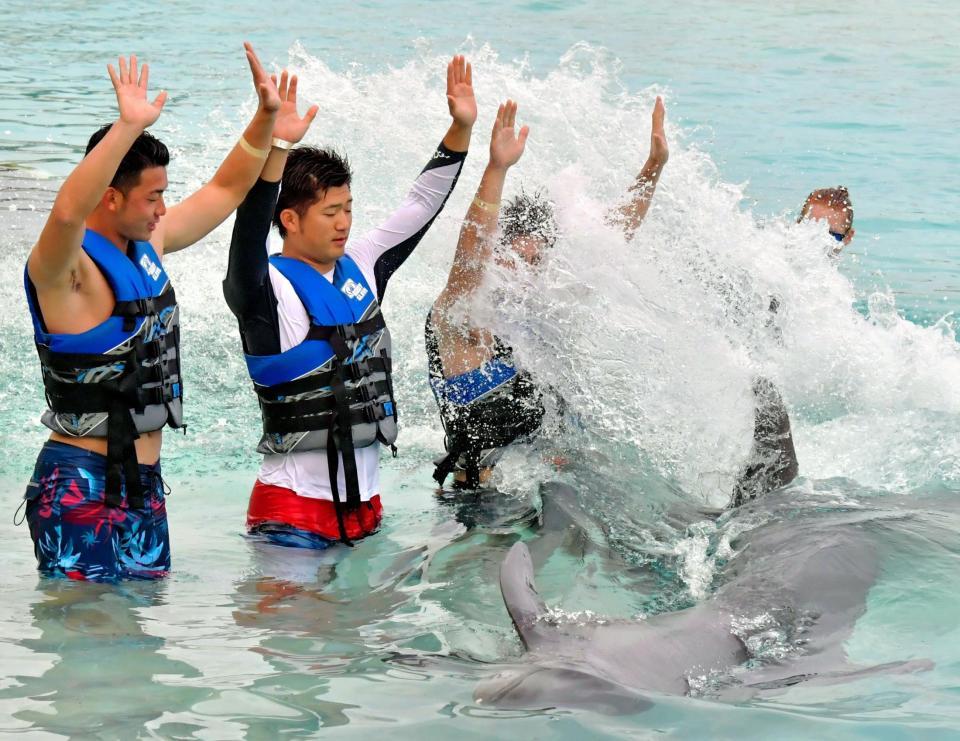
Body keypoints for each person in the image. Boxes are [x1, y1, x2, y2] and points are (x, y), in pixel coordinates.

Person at [22, 45, 282, 581]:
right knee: (89, 639)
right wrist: (127, 126)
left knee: (139, 635)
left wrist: (266, 119)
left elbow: (227, 188)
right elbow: (69, 209)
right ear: (111, 197)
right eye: (152, 197)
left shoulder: (148, 247)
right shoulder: (64, 270)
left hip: (144, 480)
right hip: (79, 481)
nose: (164, 210)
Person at [224, 55, 477, 547]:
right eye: (330, 212)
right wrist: (277, 147)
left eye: (348, 209)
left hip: (366, 508)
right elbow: (249, 227)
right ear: (292, 220)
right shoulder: (262, 290)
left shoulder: (362, 266)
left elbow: (422, 204)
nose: (344, 223)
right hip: (292, 513)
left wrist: (460, 129)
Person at [426, 97, 670, 489]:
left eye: (535, 263)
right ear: (496, 255)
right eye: (514, 260)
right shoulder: (463, 319)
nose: (524, 275)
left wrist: (654, 166)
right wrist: (496, 168)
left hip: (552, 501)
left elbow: (613, 239)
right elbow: (470, 252)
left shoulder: (543, 313)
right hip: (482, 508)